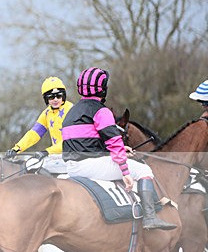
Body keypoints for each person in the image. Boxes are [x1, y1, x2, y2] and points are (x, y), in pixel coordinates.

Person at [62, 67, 175, 230]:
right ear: (103, 89)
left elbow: (85, 143)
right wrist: (125, 172)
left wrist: (121, 150)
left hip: (72, 168)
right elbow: (114, 141)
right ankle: (150, 217)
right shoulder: (101, 111)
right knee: (144, 171)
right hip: (90, 166)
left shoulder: (71, 112)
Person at [5, 77, 73, 173]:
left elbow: (70, 141)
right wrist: (17, 149)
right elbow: (34, 134)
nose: (56, 99)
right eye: (51, 97)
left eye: (59, 96)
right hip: (57, 156)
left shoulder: (71, 110)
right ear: (46, 99)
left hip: (74, 157)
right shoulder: (47, 113)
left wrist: (47, 152)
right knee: (31, 167)